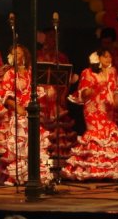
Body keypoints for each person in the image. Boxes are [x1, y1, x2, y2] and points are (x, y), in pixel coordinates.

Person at [62, 48, 118, 181]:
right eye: (105, 57)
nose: (108, 59)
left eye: (110, 57)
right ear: (98, 58)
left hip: (108, 109)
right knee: (95, 135)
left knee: (109, 134)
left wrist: (117, 100)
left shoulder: (113, 72)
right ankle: (92, 170)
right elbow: (83, 92)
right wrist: (88, 91)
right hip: (93, 108)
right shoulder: (88, 72)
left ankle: (108, 171)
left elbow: (116, 89)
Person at [0, 44, 53, 186]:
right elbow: (6, 96)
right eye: (13, 53)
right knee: (20, 145)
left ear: (24, 55)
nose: (16, 56)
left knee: (34, 143)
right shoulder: (9, 74)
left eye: (19, 53)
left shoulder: (31, 72)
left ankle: (35, 175)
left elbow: (39, 90)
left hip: (32, 112)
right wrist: (18, 108)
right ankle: (20, 175)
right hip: (18, 113)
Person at [36, 29, 77, 164]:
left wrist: (63, 94)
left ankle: (58, 162)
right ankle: (41, 158)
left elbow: (67, 78)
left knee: (58, 127)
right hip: (42, 97)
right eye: (49, 37)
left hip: (57, 98)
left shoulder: (62, 57)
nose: (52, 40)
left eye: (54, 38)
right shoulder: (37, 55)